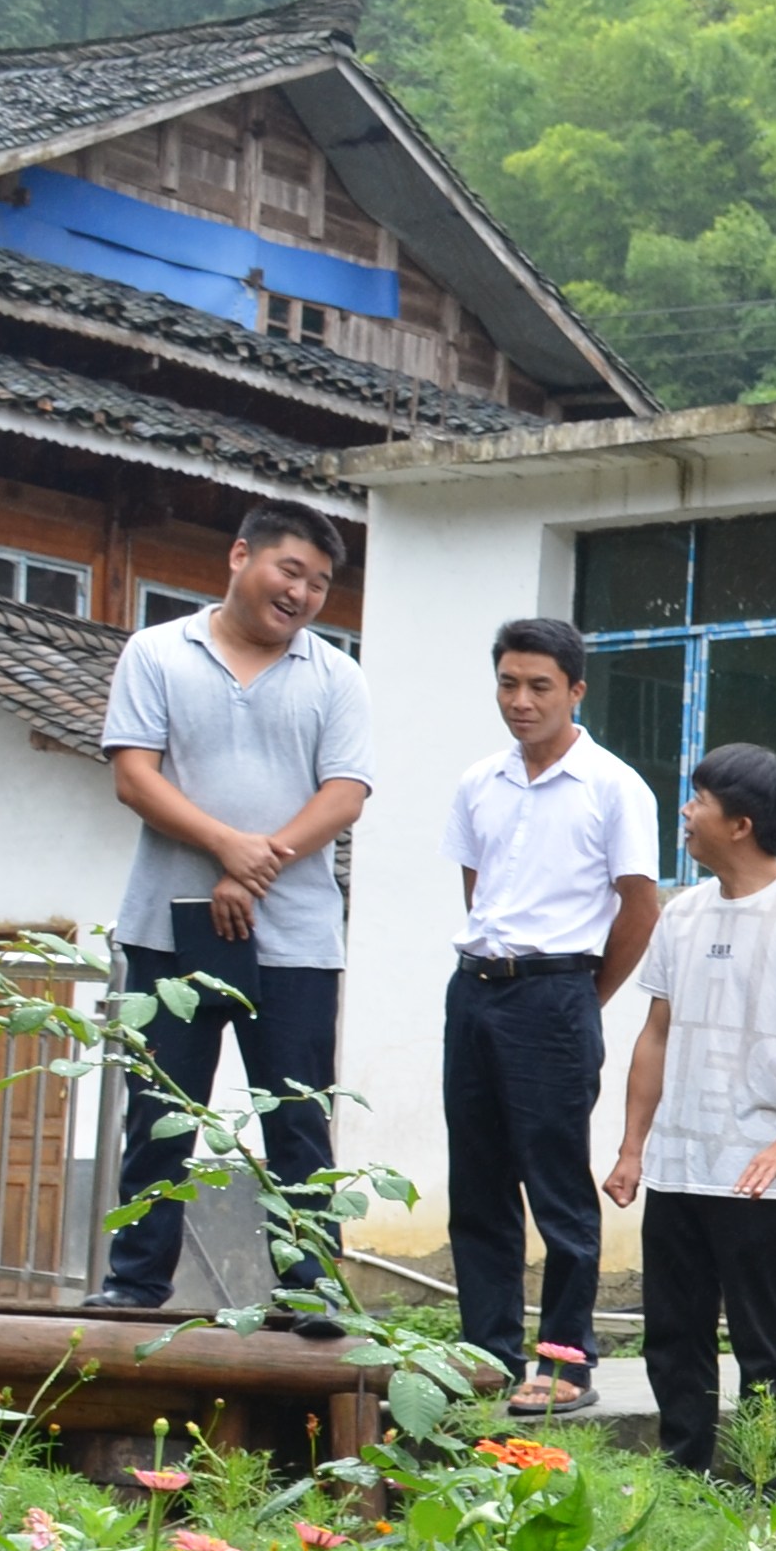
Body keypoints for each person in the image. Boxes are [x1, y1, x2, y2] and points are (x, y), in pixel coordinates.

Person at [90, 506, 373, 1327]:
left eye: (320, 584)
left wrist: (263, 862)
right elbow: (134, 777)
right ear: (240, 553)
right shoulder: (156, 653)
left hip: (295, 940)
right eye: (291, 571)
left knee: (297, 1117)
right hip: (164, 928)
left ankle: (309, 1288)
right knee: (159, 1113)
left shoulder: (336, 677)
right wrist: (228, 849)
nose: (304, 593)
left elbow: (345, 794)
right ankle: (137, 1285)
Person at [604, 745, 776, 1475]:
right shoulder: (682, 913)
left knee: (764, 1346)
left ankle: (769, 1493)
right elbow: (656, 1033)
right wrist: (632, 1149)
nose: (685, 812)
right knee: (672, 1337)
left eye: (699, 800)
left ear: (741, 823)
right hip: (679, 1167)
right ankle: (683, 1483)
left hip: (757, 1175)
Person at [443, 618, 663, 1415]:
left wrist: (583, 993)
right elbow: (480, 885)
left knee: (557, 1183)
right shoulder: (479, 782)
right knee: (477, 1181)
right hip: (474, 989)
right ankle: (488, 1353)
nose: (522, 701)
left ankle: (566, 1360)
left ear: (575, 690)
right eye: (508, 684)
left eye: (540, 686)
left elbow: (641, 905)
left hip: (557, 993)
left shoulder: (614, 786)